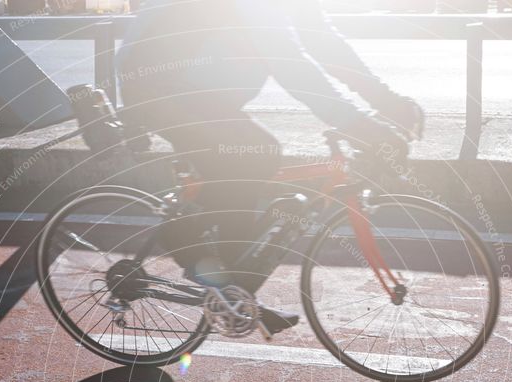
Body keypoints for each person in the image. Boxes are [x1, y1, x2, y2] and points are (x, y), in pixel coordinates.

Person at [117, 0, 423, 335]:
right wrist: (363, 127)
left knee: (245, 170)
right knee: (258, 153)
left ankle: (233, 292)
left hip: (200, 91)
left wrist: (387, 102)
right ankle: (183, 235)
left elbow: (324, 43)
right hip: (159, 87)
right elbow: (291, 66)